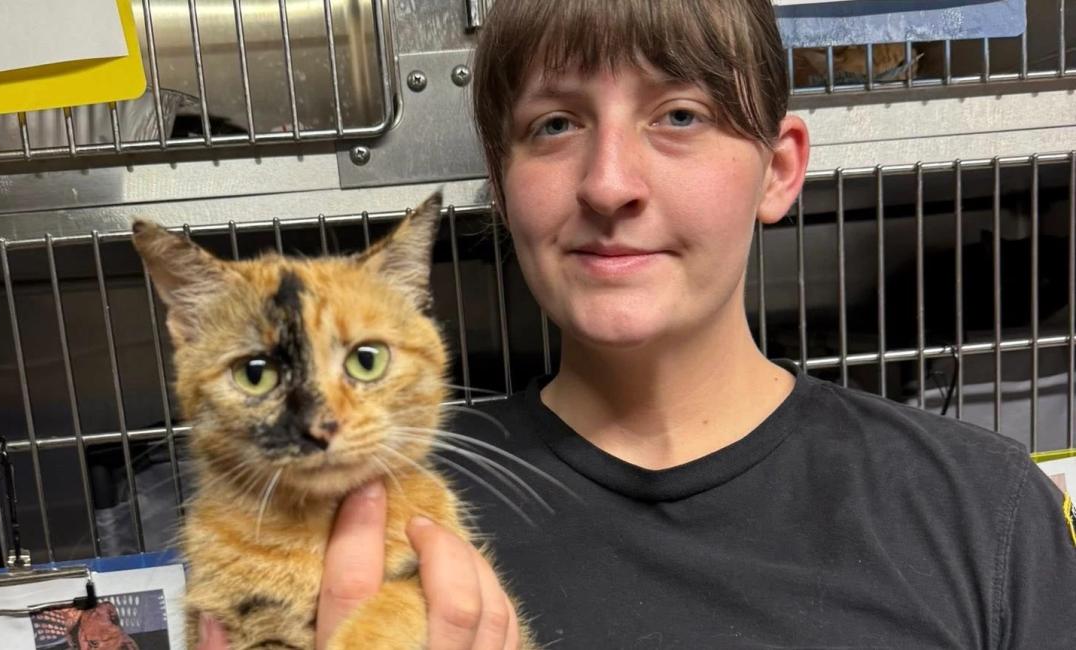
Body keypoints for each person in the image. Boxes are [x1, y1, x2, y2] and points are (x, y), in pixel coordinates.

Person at [201, 0, 1076, 648]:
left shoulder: (984, 513)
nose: (609, 183)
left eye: (679, 115)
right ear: (502, 191)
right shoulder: (331, 500)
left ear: (779, 170)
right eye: (554, 124)